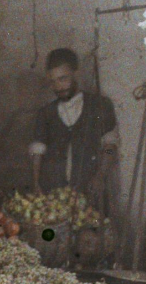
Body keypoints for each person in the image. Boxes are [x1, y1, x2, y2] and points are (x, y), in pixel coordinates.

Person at [28, 47, 119, 214]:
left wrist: (100, 176)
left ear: (76, 74)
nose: (58, 87)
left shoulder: (100, 105)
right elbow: (37, 152)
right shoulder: (45, 113)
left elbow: (110, 146)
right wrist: (36, 184)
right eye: (53, 81)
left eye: (63, 79)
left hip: (90, 196)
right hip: (55, 198)